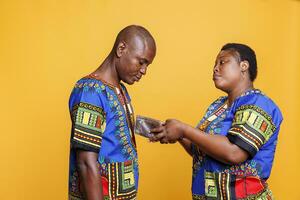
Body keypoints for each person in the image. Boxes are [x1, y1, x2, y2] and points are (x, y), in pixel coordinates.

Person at [151, 43, 282, 199]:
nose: (215, 68)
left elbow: (235, 153)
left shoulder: (258, 104)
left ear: (243, 66)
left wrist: (184, 129)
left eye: (222, 62)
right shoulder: (218, 105)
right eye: (215, 64)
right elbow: (199, 149)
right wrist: (176, 134)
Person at [68, 25, 156, 200]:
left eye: (147, 64)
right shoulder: (90, 92)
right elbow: (86, 163)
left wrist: (154, 128)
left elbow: (114, 131)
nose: (144, 70)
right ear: (121, 49)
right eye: (141, 61)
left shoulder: (119, 89)